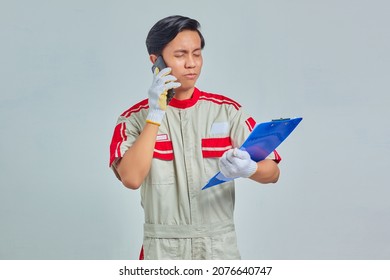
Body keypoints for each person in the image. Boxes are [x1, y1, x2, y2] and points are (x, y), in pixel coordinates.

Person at [109, 15, 281, 260]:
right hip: (163, 250)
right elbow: (132, 178)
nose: (191, 63)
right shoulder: (133, 119)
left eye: (197, 54)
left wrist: (250, 168)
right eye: (180, 55)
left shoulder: (227, 111)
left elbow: (273, 173)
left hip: (219, 248)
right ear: (155, 61)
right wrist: (155, 115)